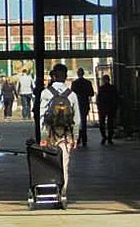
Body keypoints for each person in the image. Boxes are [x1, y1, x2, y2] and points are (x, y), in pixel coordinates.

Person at [39, 63, 82, 202]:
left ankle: (51, 188)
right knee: (64, 163)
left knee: (50, 162)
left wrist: (43, 136)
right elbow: (77, 119)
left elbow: (42, 117)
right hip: (66, 134)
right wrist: (75, 137)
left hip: (50, 133)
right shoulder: (72, 95)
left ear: (53, 76)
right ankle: (63, 192)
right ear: (66, 77)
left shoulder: (46, 93)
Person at [70, 68, 95, 148]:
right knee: (83, 121)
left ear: (77, 74)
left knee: (76, 122)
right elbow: (91, 93)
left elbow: (71, 94)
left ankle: (78, 138)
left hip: (77, 103)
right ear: (83, 73)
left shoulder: (74, 83)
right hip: (85, 103)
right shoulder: (88, 83)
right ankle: (84, 139)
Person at [96, 74, 119, 145]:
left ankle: (104, 137)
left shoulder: (101, 88)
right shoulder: (113, 88)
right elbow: (116, 98)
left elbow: (98, 99)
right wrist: (115, 107)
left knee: (102, 123)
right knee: (110, 124)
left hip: (103, 108)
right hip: (111, 108)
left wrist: (99, 107)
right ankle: (109, 138)